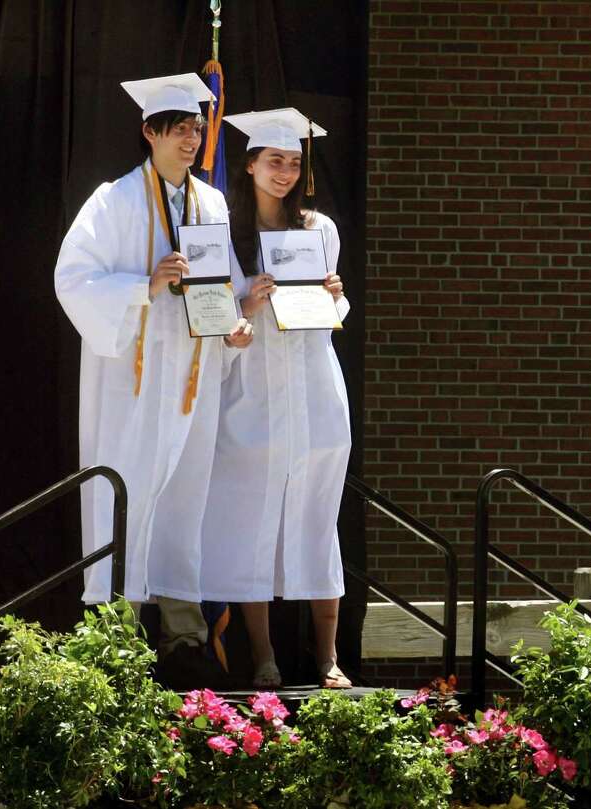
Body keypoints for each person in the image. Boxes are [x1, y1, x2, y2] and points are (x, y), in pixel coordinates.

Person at [54, 73, 252, 682]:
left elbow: (224, 281)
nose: (191, 139)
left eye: (196, 128)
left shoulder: (211, 204)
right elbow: (73, 280)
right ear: (149, 132)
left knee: (185, 497)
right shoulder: (111, 202)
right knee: (128, 490)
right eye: (180, 129)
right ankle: (116, 636)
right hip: (133, 385)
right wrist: (146, 284)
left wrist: (236, 323)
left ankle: (184, 635)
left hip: (190, 375)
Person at [198, 108, 352, 689]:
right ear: (251, 164)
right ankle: (262, 657)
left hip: (313, 389)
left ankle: (327, 657)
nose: (284, 172)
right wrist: (248, 307)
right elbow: (211, 321)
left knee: (317, 518)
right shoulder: (227, 237)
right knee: (250, 521)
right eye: (273, 161)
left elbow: (329, 316)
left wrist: (335, 295)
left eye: (293, 162)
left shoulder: (319, 229)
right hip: (251, 396)